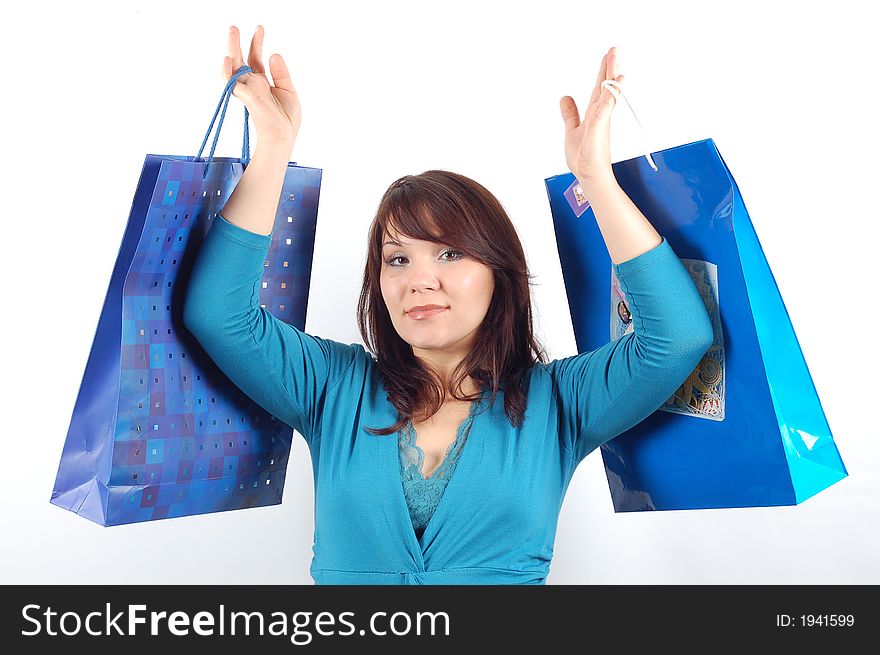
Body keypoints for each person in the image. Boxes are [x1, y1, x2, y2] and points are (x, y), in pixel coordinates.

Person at [182, 25, 714, 584]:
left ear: (498, 274)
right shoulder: (331, 386)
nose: (420, 281)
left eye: (451, 254)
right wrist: (273, 150)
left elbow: (675, 336)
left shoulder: (560, 403)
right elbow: (219, 315)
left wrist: (595, 181)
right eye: (397, 259)